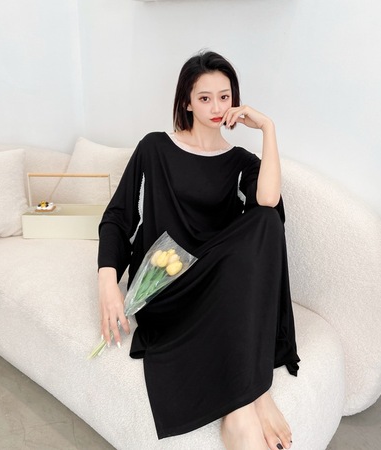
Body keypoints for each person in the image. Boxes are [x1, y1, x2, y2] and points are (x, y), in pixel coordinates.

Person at [97, 50, 300, 450]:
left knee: (266, 219)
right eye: (204, 98)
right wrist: (107, 282)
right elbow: (118, 217)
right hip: (166, 287)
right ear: (187, 102)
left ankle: (244, 404)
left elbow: (268, 199)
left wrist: (268, 128)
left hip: (217, 288)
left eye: (224, 97)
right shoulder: (155, 148)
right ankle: (255, 394)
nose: (216, 107)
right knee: (258, 232)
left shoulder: (240, 161)